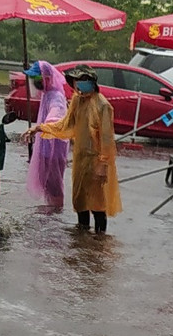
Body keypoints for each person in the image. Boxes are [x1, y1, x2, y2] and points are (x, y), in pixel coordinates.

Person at [27, 66, 123, 231]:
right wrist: (40, 128)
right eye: (77, 82)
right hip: (80, 160)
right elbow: (66, 125)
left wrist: (103, 164)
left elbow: (107, 139)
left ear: (91, 82)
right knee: (80, 202)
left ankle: (98, 243)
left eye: (83, 81)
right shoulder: (78, 101)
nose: (79, 86)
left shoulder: (103, 106)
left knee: (97, 204)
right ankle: (82, 237)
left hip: (96, 161)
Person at [23, 61, 71, 210]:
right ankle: (51, 211)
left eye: (37, 78)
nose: (35, 83)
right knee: (48, 183)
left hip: (54, 148)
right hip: (46, 146)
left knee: (54, 184)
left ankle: (56, 215)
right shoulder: (47, 94)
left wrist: (38, 128)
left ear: (48, 78)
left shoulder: (56, 96)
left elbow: (56, 116)